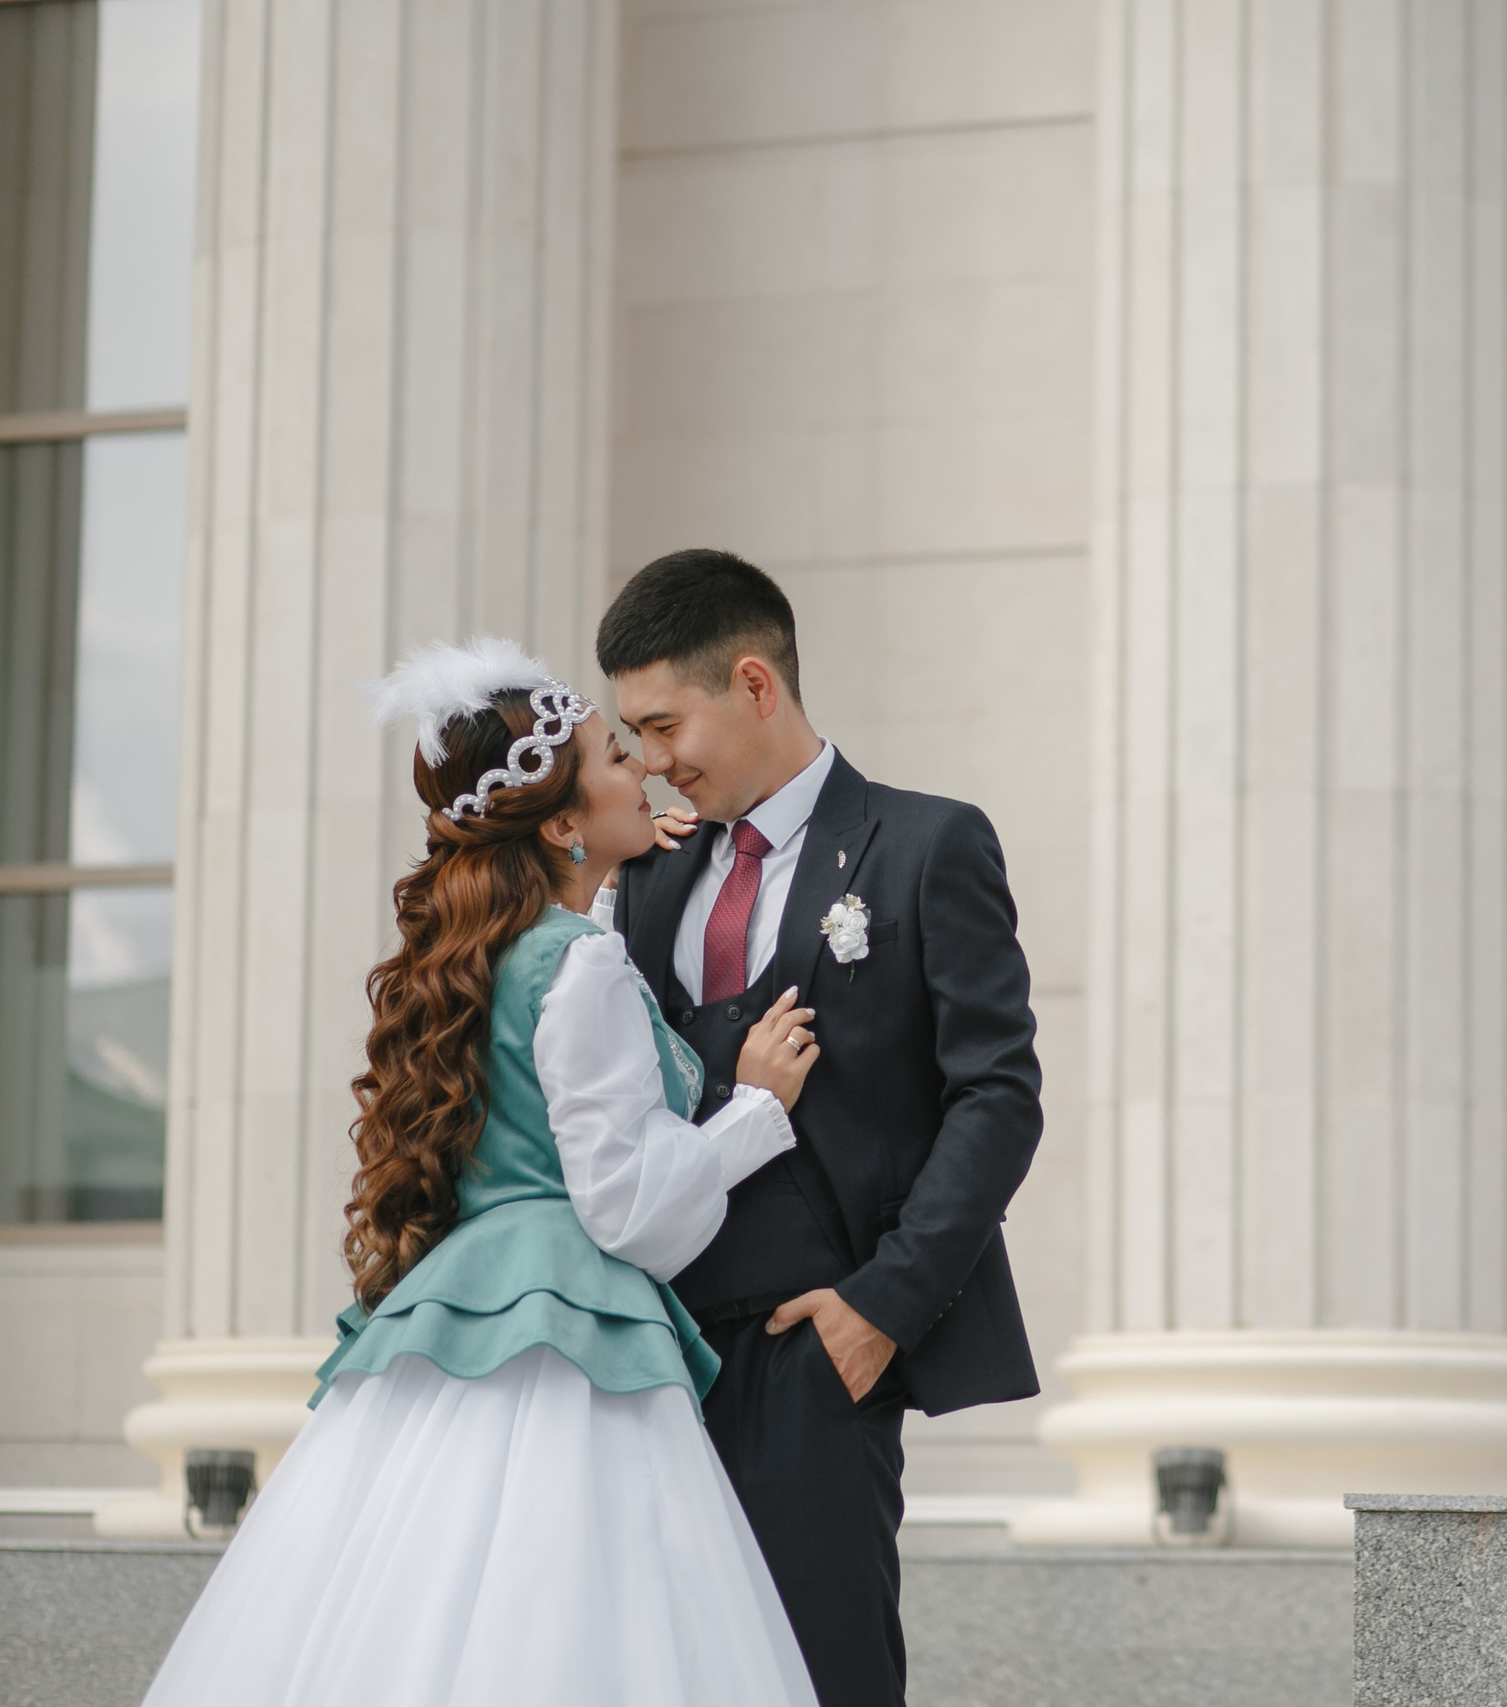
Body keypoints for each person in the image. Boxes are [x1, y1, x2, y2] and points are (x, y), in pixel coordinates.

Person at [141, 638, 822, 1706]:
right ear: (558, 822)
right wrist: (755, 1111)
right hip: (570, 1330)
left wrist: (608, 880)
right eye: (615, 757)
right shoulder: (580, 961)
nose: (643, 768)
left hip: (459, 1313)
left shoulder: (493, 952)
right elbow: (628, 1208)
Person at [593, 548, 1042, 1707]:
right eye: (633, 736)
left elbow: (997, 1097)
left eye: (663, 725)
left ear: (753, 684)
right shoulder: (650, 878)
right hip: (654, 1352)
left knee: (821, 1675)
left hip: (818, 1349)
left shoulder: (927, 845)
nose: (653, 762)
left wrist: (879, 1309)